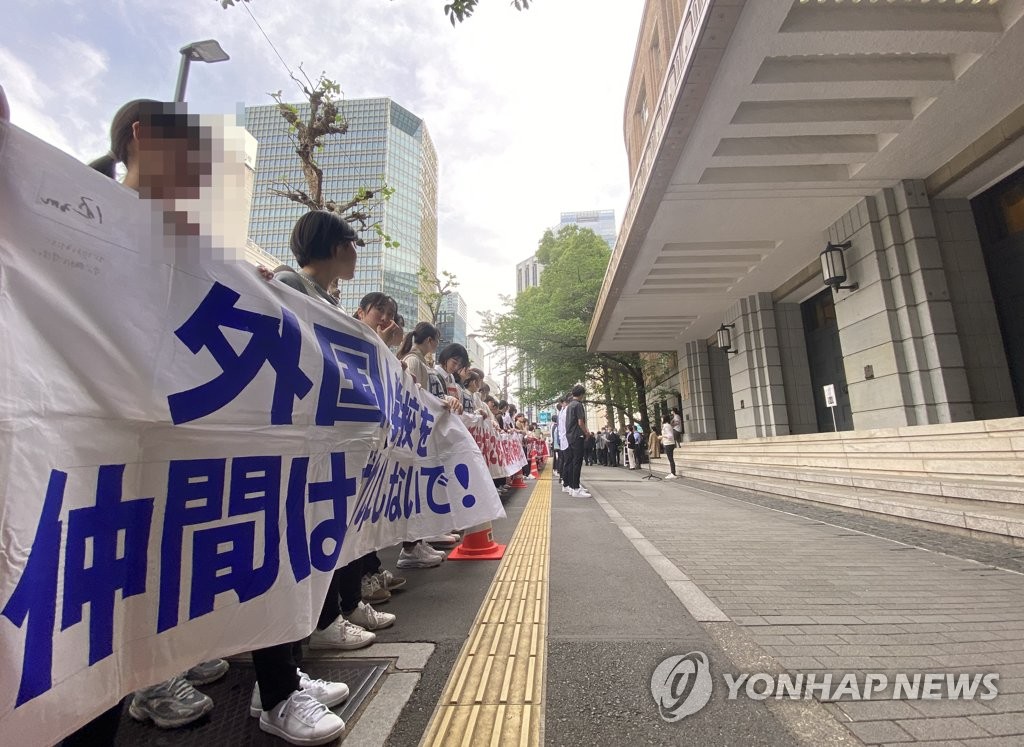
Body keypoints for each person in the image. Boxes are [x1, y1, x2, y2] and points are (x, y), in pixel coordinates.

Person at [84, 101, 347, 745]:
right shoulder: (84, 213)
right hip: (117, 431)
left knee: (183, 551)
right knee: (118, 565)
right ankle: (147, 682)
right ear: (141, 139)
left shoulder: (189, 242)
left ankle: (186, 670)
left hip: (180, 432)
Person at [562, 385, 591, 498]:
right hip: (578, 435)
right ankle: (576, 488)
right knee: (577, 462)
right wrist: (586, 432)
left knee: (573, 461)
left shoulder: (569, 406)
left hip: (570, 436)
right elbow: (580, 422)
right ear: (581, 394)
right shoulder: (578, 405)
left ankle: (573, 486)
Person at [661, 415, 678, 479]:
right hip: (669, 443)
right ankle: (672, 473)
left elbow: (670, 436)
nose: (661, 419)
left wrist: (662, 436)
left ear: (664, 419)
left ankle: (673, 473)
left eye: (662, 418)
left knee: (670, 459)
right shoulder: (667, 425)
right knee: (670, 459)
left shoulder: (666, 426)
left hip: (669, 444)